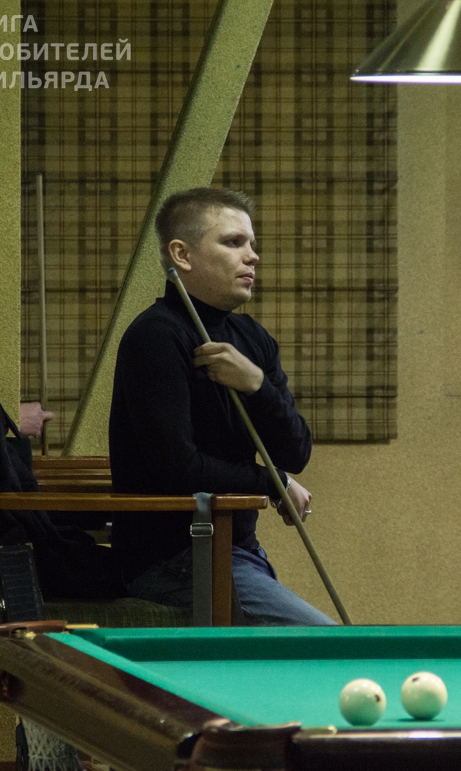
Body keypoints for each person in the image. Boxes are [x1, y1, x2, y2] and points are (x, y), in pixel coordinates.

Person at [108, 187, 335, 625]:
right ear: (182, 255)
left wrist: (256, 385)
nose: (253, 256)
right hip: (173, 560)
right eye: (233, 242)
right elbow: (178, 469)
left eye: (252, 244)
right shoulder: (155, 336)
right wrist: (272, 482)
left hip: (237, 551)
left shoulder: (254, 339)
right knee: (327, 646)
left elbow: (296, 452)